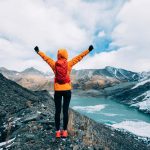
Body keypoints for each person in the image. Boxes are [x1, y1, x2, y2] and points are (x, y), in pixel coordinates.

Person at [34, 45, 94, 138]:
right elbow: (79, 57)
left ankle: (57, 132)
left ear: (58, 55)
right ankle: (65, 131)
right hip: (67, 91)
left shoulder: (54, 64)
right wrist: (88, 50)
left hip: (57, 91)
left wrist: (38, 51)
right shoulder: (69, 64)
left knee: (57, 111)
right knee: (65, 111)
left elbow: (46, 58)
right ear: (66, 55)